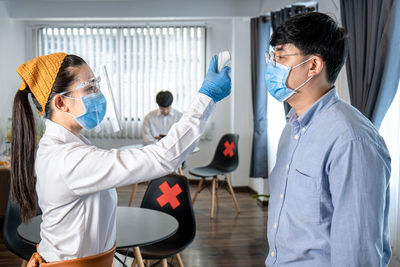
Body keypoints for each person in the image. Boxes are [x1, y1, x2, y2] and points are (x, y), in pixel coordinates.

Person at [11, 52, 231, 263]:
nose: (98, 93)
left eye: (97, 84)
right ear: (60, 103)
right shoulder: (67, 159)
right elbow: (162, 157)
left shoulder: (66, 147)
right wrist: (206, 97)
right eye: (89, 87)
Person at [264, 12, 391, 266]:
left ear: (313, 65)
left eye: (281, 56)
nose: (271, 66)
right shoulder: (292, 126)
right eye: (271, 57)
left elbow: (358, 253)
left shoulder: (351, 141)